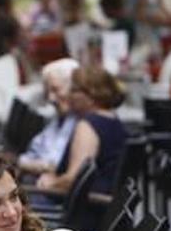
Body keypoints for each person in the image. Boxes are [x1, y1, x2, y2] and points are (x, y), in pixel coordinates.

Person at [36, 66, 128, 202]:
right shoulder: (113, 120)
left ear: (92, 95)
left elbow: (75, 178)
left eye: (74, 90)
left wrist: (50, 183)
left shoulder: (87, 126)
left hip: (81, 209)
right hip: (101, 206)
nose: (68, 95)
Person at [18, 58, 80, 175]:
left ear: (74, 88)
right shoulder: (58, 119)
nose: (51, 98)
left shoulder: (80, 122)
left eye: (56, 90)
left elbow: (54, 165)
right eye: (48, 92)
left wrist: (24, 164)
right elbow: (33, 152)